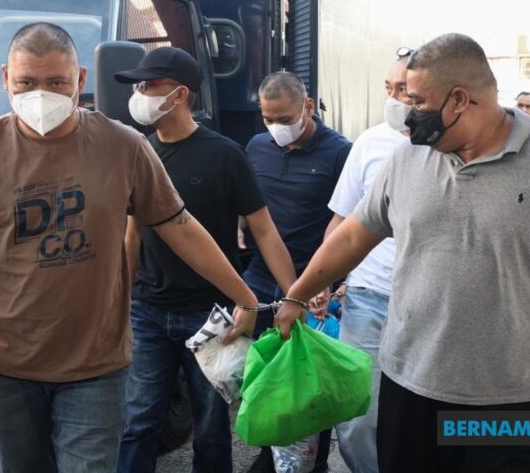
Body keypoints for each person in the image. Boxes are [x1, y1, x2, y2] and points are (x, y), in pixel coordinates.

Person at [0, 23, 260, 473]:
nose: (41, 95)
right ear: (5, 79)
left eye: (56, 82)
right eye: (26, 82)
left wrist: (244, 296)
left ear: (79, 80)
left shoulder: (123, 146)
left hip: (96, 367)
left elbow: (180, 226)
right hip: (6, 365)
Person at [272, 33, 530, 473]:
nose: (407, 113)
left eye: (418, 101)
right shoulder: (407, 159)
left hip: (515, 402)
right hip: (413, 388)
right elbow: (351, 238)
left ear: (459, 100)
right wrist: (297, 294)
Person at [113, 47, 296, 473]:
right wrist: (117, 303)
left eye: (147, 86)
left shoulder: (225, 155)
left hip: (211, 316)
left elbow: (264, 230)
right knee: (138, 422)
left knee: (211, 428)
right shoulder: (140, 153)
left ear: (179, 95)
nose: (138, 95)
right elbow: (131, 235)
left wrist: (293, 295)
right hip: (148, 311)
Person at [243, 71, 351, 473]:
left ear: (307, 106)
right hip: (260, 279)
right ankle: (269, 455)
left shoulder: (340, 153)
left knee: (307, 385)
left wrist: (327, 284)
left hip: (310, 284)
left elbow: (347, 224)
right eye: (267, 119)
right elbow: (249, 202)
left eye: (284, 119)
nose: (276, 128)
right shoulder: (257, 147)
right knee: (264, 376)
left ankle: (311, 462)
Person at [324, 50, 420, 473]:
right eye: (389, 89)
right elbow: (341, 222)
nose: (394, 100)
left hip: (427, 305)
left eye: (405, 91)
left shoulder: (451, 148)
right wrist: (320, 283)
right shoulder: (369, 143)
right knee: (357, 417)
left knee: (420, 417)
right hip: (368, 299)